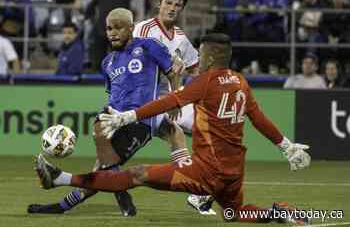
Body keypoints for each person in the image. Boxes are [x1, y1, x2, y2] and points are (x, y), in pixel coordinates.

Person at [34, 33, 311, 225]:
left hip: (207, 171)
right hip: (234, 170)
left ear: (212, 57)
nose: (198, 59)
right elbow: (258, 118)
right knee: (235, 212)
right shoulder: (240, 82)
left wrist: (128, 117)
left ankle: (60, 178)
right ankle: (279, 214)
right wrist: (286, 146)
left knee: (136, 174)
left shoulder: (205, 81)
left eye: (201, 54)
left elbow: (167, 101)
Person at [28, 7, 186, 217]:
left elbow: (173, 71)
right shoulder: (108, 62)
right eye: (109, 28)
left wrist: (175, 100)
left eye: (118, 28)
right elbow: (113, 95)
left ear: (131, 28)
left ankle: (72, 184)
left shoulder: (148, 46)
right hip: (114, 119)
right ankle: (65, 205)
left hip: (140, 119)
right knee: (101, 166)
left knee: (103, 164)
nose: (112, 32)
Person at [133, 0, 214, 214]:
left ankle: (198, 192)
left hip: (171, 98)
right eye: (169, 2)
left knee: (209, 130)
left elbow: (197, 70)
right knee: (174, 133)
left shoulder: (180, 37)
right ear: (160, 3)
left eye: (178, 5)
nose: (172, 8)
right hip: (144, 98)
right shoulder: (144, 29)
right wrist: (168, 66)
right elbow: (133, 62)